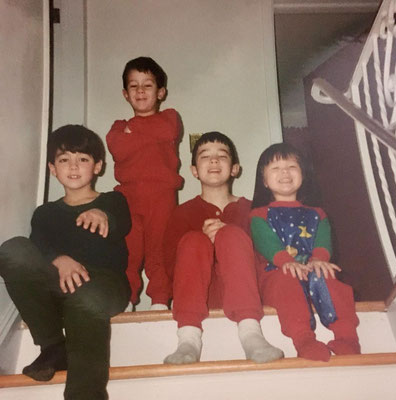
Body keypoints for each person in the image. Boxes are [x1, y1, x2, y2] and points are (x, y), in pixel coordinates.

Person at [0, 125, 131, 399]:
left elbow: (121, 221)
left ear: (97, 166)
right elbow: (39, 246)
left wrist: (103, 214)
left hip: (104, 285)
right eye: (64, 160)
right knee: (13, 249)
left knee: (86, 298)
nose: (73, 166)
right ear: (52, 168)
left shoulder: (113, 200)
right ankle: (53, 346)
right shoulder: (45, 213)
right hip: (59, 284)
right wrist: (59, 259)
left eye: (82, 159)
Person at [163, 132, 284, 364]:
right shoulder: (182, 213)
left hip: (247, 295)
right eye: (205, 156)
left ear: (235, 168)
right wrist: (206, 244)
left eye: (222, 156)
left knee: (230, 234)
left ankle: (251, 334)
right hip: (199, 298)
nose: (215, 161)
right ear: (194, 171)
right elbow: (170, 266)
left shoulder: (253, 210)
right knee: (193, 241)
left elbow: (267, 259)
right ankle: (188, 339)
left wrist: (229, 235)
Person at [250, 142, 360, 362]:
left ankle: (347, 337)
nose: (284, 172)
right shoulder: (259, 215)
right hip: (278, 273)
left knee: (328, 275)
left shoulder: (318, 214)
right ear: (264, 181)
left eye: (292, 167)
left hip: (311, 269)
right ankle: (304, 339)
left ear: (303, 175)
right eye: (275, 168)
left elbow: (322, 240)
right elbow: (266, 241)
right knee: (288, 279)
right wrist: (285, 261)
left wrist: (320, 260)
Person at [106, 56, 183, 310]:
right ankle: (126, 300)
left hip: (161, 195)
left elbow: (166, 131)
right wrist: (136, 136)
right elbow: (117, 147)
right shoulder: (118, 127)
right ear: (125, 94)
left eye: (147, 85)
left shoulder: (170, 118)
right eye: (133, 86)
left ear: (161, 92)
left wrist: (134, 135)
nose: (140, 91)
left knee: (159, 251)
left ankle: (160, 301)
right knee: (127, 251)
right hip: (127, 198)